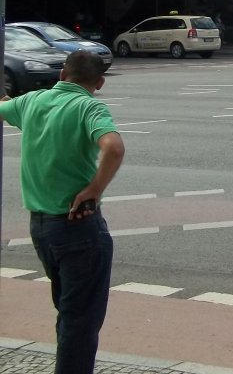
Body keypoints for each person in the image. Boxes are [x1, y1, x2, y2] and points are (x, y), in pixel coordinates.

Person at [0, 50, 125, 374]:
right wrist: (94, 190)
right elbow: (113, 147)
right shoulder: (89, 105)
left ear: (61, 75)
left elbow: (2, 107)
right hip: (78, 226)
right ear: (98, 83)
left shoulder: (31, 102)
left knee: (68, 312)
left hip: (41, 228)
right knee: (80, 321)